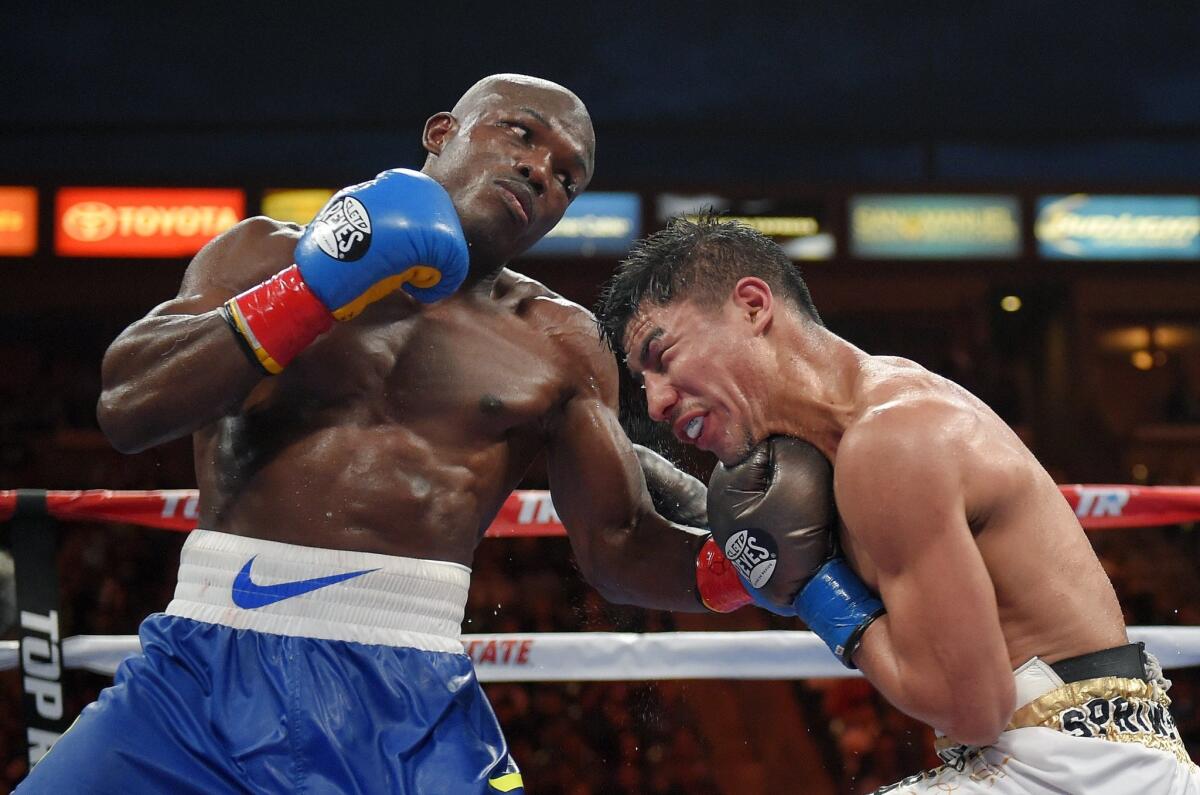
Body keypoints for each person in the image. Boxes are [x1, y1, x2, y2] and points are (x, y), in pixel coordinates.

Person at [17, 76, 758, 794]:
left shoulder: (562, 343)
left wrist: (750, 569)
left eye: (567, 176)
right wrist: (311, 291)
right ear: (442, 133)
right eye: (522, 135)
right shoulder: (264, 254)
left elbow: (619, 544)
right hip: (198, 677)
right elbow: (127, 404)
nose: (540, 171)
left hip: (408, 699)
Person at [597, 213, 1200, 793]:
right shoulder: (857, 431)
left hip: (1074, 770)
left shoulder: (891, 441)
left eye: (662, 356)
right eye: (642, 380)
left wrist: (817, 591)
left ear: (753, 306)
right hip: (1083, 757)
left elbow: (970, 709)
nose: (654, 403)